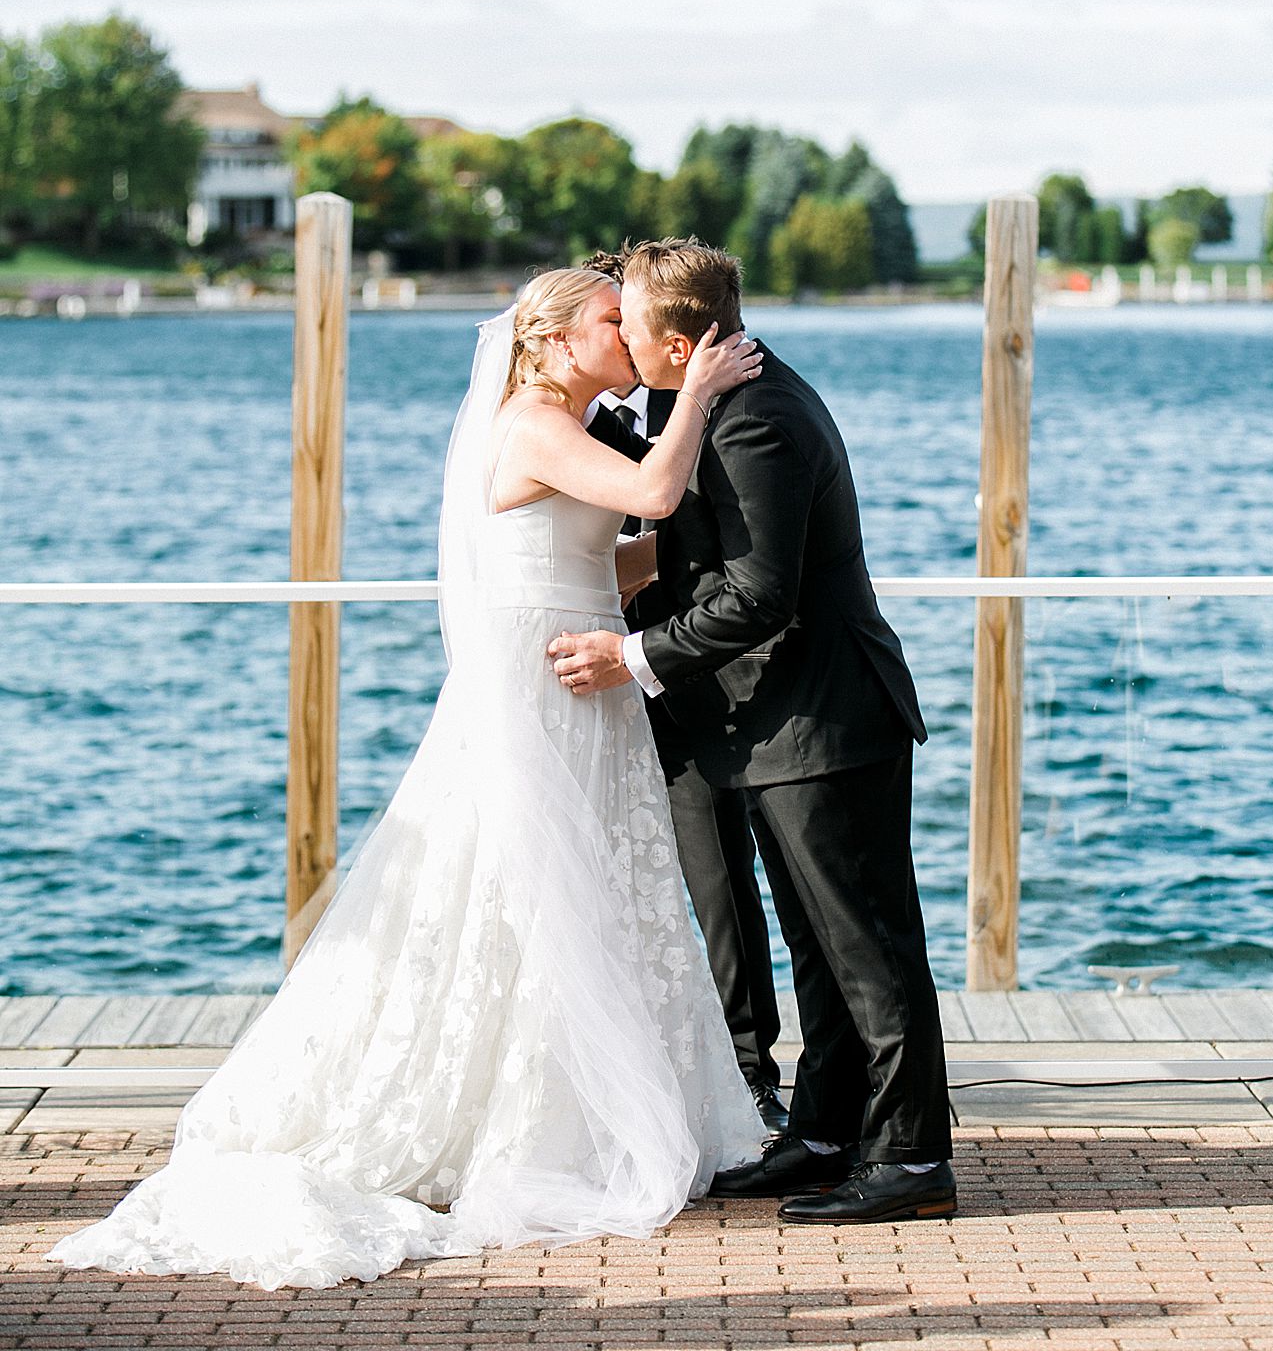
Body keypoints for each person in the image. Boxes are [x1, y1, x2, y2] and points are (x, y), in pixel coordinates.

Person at [47, 268, 766, 1291]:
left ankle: (586, 1091)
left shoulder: (571, 423)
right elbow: (651, 493)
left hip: (585, 665)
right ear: (556, 341)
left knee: (582, 885)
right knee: (512, 878)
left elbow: (596, 561)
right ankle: (507, 1111)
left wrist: (692, 570)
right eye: (613, 316)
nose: (632, 327)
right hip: (536, 681)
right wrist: (696, 388)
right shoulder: (529, 421)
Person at [549, 239, 956, 1226]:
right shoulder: (724, 398)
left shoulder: (757, 418)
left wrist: (630, 661)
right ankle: (821, 1134)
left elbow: (762, 594)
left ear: (681, 344)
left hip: (826, 717)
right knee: (816, 945)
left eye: (631, 323)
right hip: (780, 725)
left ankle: (909, 1160)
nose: (622, 335)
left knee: (868, 945)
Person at [583, 252, 787, 1134]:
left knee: (717, 877)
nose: (622, 336)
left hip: (684, 675)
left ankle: (745, 1072)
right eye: (610, 321)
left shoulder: (695, 397)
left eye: (624, 319)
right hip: (583, 674)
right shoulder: (553, 421)